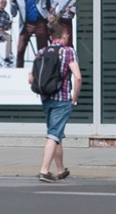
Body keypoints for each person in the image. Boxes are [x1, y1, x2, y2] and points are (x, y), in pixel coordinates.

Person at [29, 20, 80, 183]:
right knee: (53, 135)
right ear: (64, 35)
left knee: (56, 133)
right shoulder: (68, 51)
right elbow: (78, 77)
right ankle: (44, 171)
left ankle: (60, 170)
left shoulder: (41, 51)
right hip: (62, 99)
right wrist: (75, 97)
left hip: (46, 99)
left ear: (51, 37)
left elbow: (31, 79)